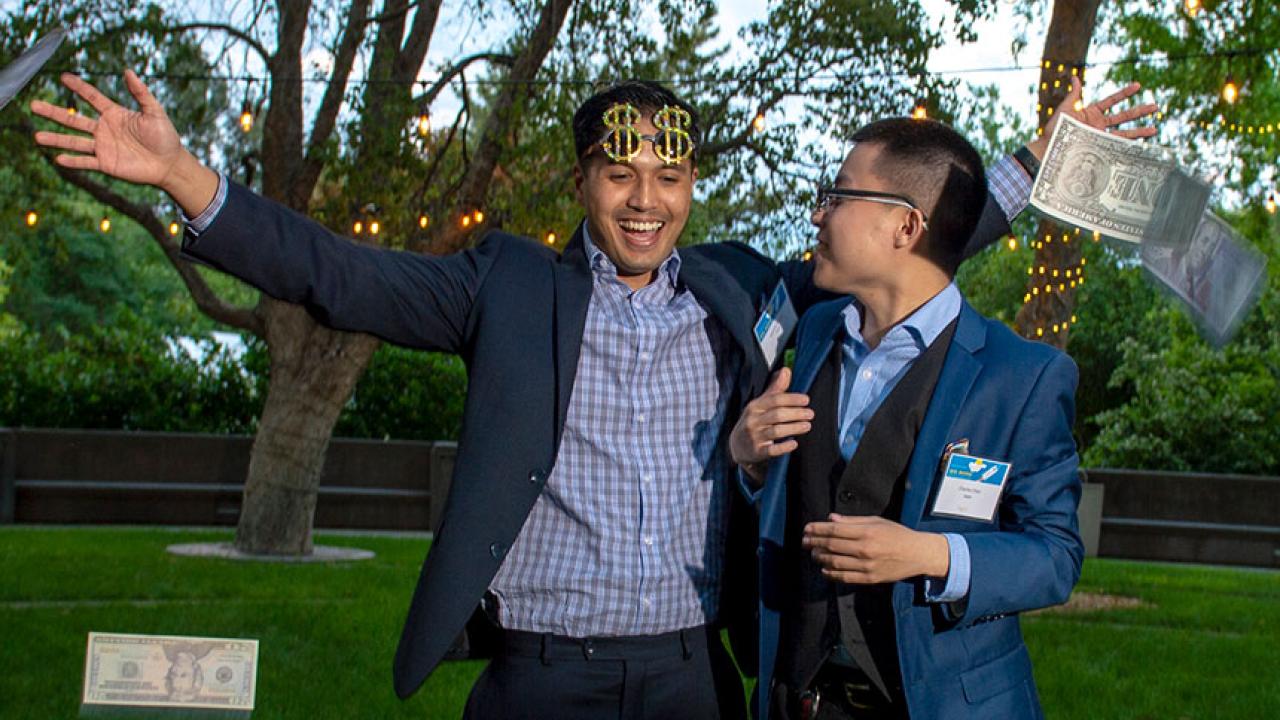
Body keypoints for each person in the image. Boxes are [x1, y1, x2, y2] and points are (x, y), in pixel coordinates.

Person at [31, 69, 1147, 718]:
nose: (645, 201)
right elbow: (344, 275)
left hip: (687, 678)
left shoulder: (738, 289)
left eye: (669, 176)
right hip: (536, 679)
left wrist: (1047, 161)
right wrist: (187, 179)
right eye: (620, 173)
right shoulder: (505, 286)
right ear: (581, 179)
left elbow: (910, 243)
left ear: (691, 185)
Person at [729, 116, 1089, 720]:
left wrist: (933, 556)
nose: (819, 214)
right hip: (799, 703)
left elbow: (1055, 556)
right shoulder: (814, 333)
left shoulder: (1022, 376)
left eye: (838, 196)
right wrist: (753, 467)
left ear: (906, 226)